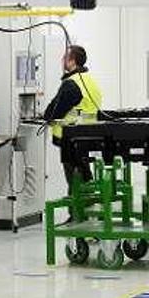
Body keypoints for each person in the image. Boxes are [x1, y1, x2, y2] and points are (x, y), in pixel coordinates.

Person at [42, 45, 103, 190]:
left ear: (72, 61)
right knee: (84, 174)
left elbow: (55, 110)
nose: (62, 60)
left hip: (70, 138)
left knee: (75, 179)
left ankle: (78, 211)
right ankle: (87, 206)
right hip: (88, 135)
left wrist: (46, 117)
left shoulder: (72, 83)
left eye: (65, 58)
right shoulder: (90, 81)